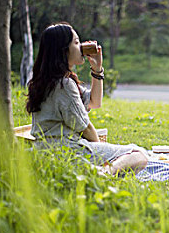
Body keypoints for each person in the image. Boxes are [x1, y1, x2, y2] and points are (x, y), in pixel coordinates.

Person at [26, 22, 147, 176]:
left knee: (126, 157)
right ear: (63, 50)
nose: (81, 46)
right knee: (139, 154)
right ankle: (105, 173)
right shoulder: (64, 85)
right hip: (67, 150)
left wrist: (97, 69)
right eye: (76, 42)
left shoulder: (49, 81)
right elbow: (86, 128)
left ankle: (101, 171)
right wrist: (103, 154)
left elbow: (94, 102)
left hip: (48, 150)